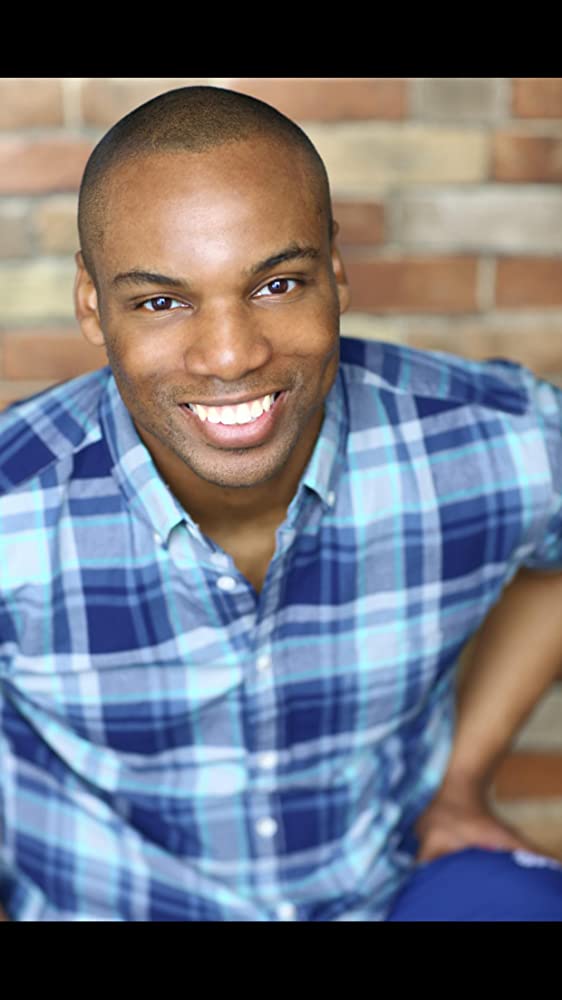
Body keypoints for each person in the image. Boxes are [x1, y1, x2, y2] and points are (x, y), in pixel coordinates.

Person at [1, 85, 562, 923]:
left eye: (277, 284)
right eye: (161, 301)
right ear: (92, 305)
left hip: (378, 893)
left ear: (335, 270)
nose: (231, 356)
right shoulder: (14, 506)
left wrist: (462, 777)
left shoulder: (489, 439)